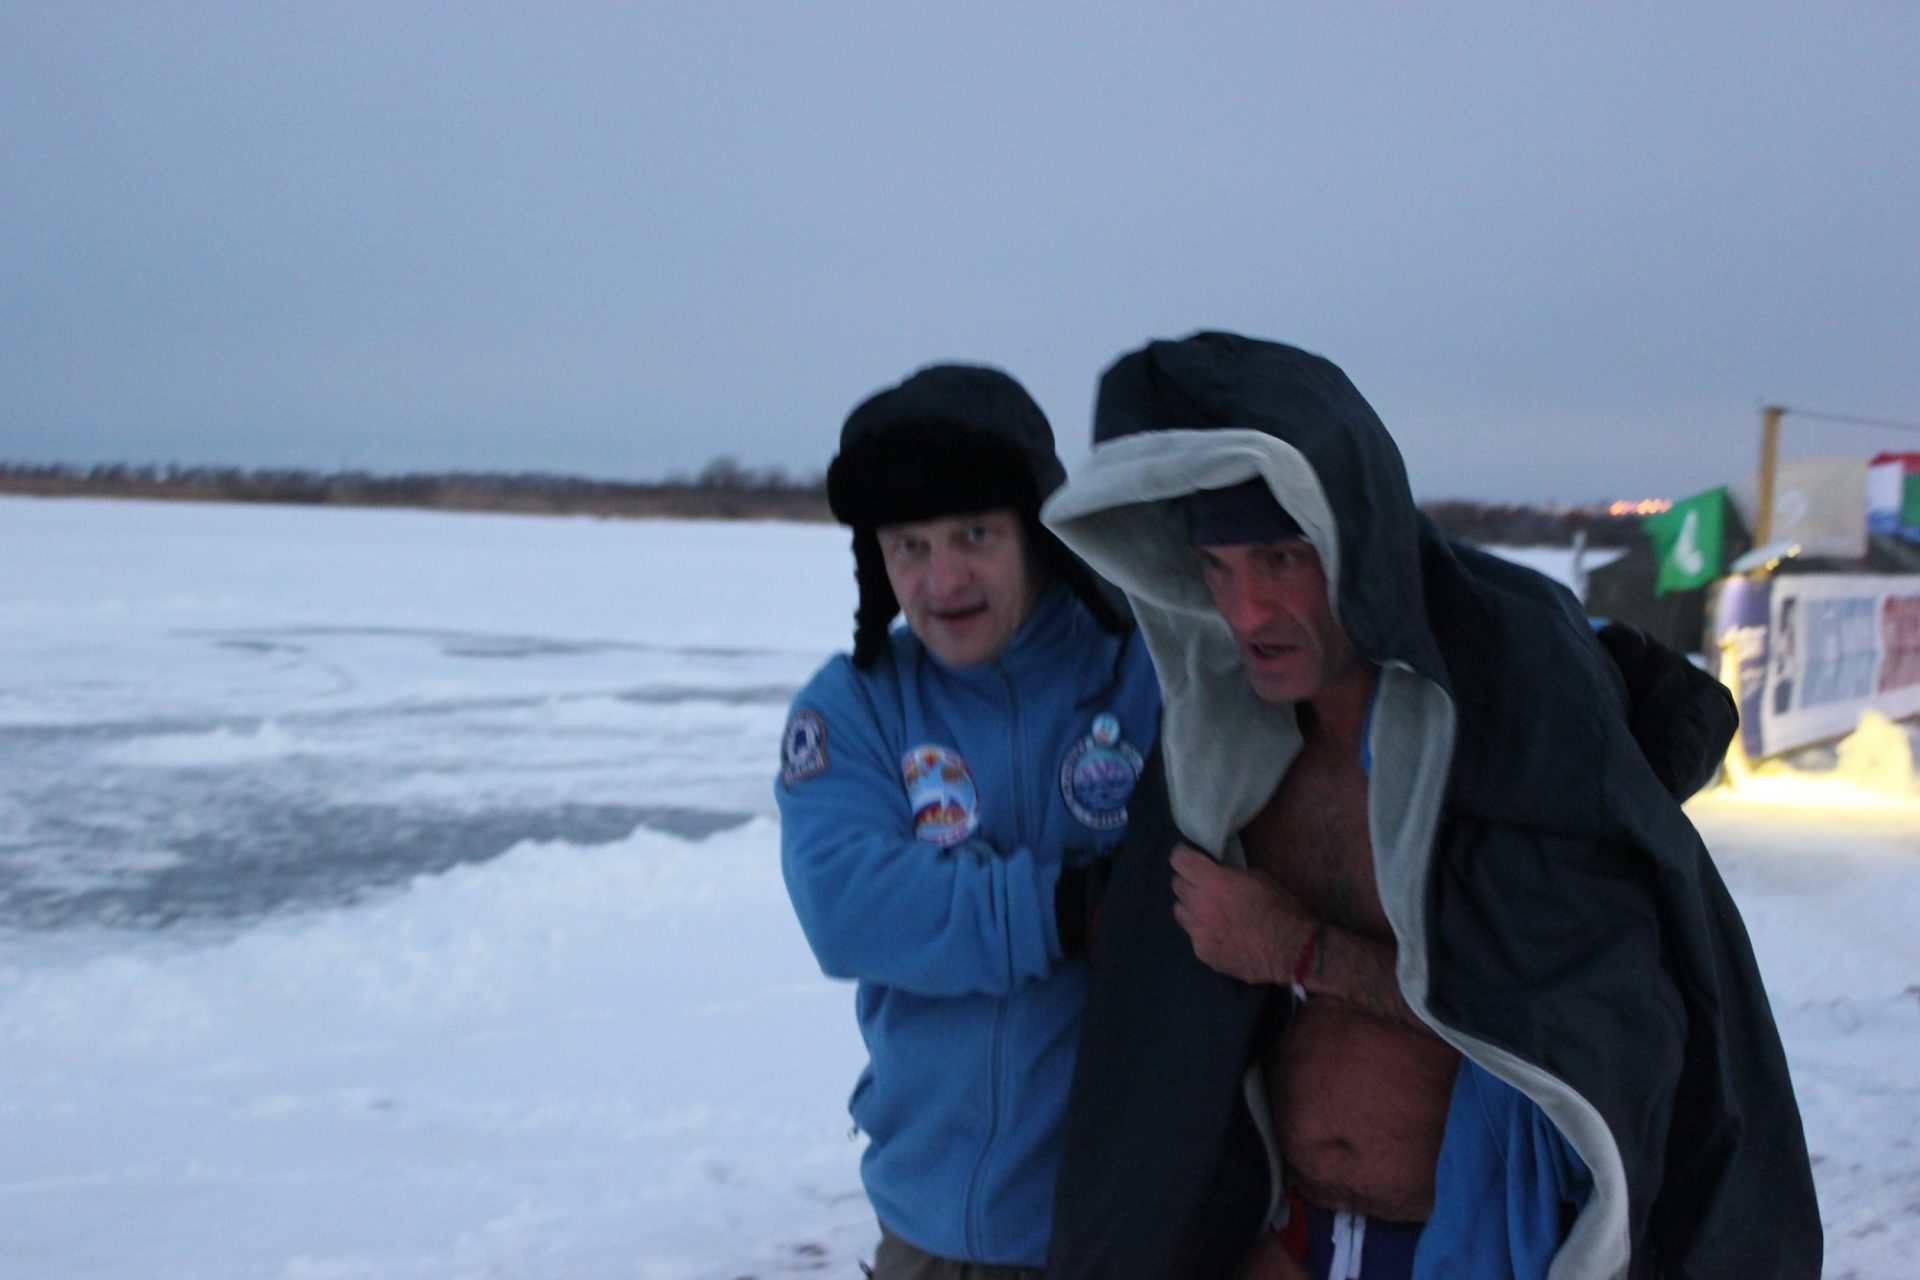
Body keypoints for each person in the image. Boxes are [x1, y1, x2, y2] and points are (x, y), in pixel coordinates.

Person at [1037, 332, 1820, 1279]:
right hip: (1289, 1239)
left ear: (1351, 544)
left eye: (1282, 560)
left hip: (1476, 1247)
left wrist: (1304, 953)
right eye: (1218, 569)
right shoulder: (1220, 756)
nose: (1246, 613)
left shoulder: (1505, 733)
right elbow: (1167, 1031)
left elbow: (1585, 1021)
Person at [776, 363, 1159, 1277]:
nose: (941, 579)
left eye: (974, 534)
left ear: (1038, 531)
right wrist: (1071, 910)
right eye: (908, 545)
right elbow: (848, 907)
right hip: (931, 1233)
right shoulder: (856, 706)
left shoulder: (1149, 675)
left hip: (1130, 1230)